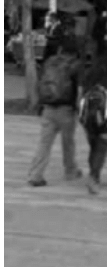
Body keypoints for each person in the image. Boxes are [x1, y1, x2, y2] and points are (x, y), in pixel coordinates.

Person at [27, 36, 84, 187]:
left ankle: (35, 175)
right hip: (66, 110)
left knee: (44, 143)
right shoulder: (75, 66)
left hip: (48, 108)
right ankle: (70, 170)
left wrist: (37, 101)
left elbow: (40, 82)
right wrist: (79, 108)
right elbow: (79, 89)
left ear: (60, 49)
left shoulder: (49, 62)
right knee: (68, 142)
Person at [78, 48, 107, 194]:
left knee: (94, 146)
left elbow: (80, 94)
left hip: (88, 119)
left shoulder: (89, 75)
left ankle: (93, 174)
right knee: (101, 148)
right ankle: (94, 177)